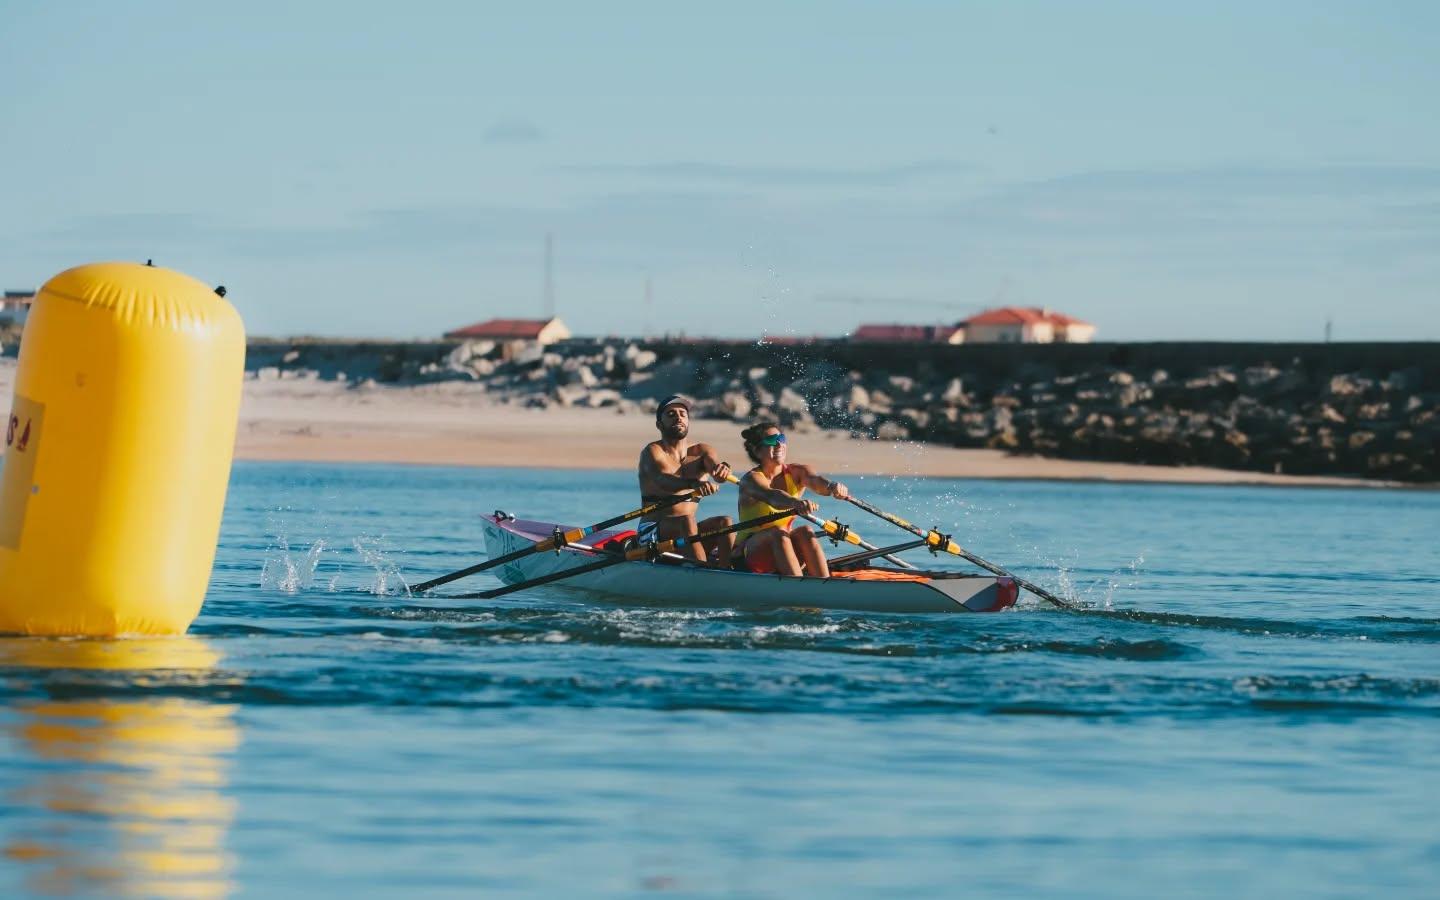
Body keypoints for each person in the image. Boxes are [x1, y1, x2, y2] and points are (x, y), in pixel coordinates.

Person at [734, 422, 850, 577]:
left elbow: (816, 481)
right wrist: (794, 503)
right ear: (757, 451)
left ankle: (824, 583)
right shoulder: (750, 480)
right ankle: (797, 586)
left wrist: (832, 487)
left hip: (782, 548)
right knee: (778, 532)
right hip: (747, 555)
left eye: (781, 438)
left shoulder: (797, 472)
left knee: (806, 531)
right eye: (771, 441)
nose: (779, 444)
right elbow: (771, 496)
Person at [636, 395, 734, 566]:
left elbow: (716, 472)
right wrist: (693, 484)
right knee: (687, 520)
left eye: (683, 414)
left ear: (688, 421)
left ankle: (726, 572)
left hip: (687, 534)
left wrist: (723, 469)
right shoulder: (653, 451)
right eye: (671, 414)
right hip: (652, 533)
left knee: (724, 522)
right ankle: (703, 573)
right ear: (659, 425)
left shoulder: (702, 450)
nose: (679, 417)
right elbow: (663, 481)